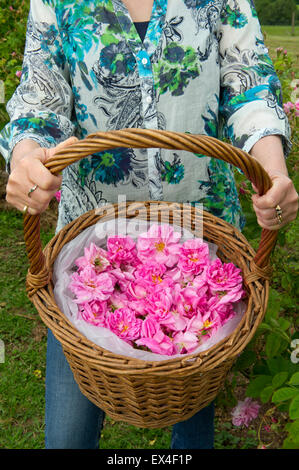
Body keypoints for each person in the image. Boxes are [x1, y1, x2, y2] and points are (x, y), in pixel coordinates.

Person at [0, 0, 298, 449]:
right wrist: (26, 159)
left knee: (191, 417)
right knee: (67, 435)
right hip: (91, 260)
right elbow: (41, 101)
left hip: (199, 260)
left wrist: (273, 173)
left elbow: (249, 86)